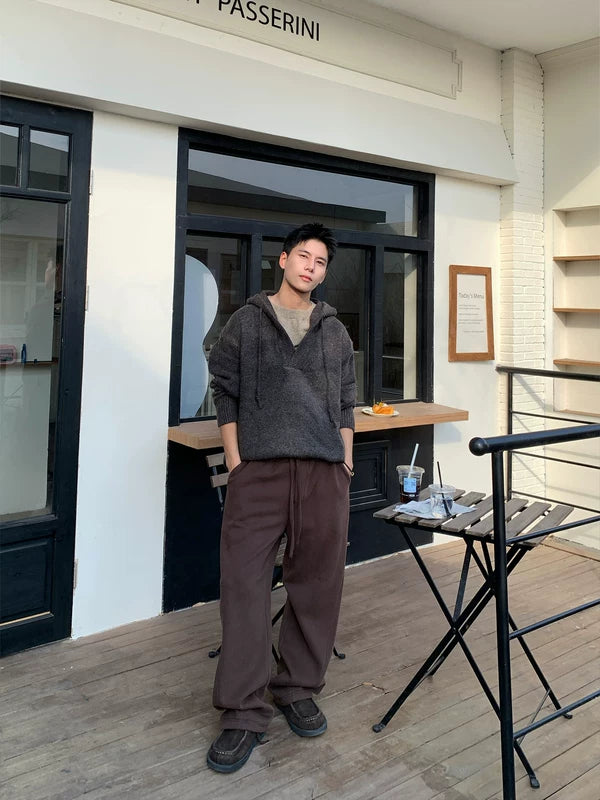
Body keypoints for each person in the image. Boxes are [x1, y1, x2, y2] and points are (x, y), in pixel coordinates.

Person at [206, 222, 356, 773]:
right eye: (304, 257)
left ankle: (297, 686)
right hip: (260, 474)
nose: (311, 267)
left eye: (321, 262)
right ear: (283, 259)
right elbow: (224, 391)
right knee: (243, 586)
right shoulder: (246, 323)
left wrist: (345, 461)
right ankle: (243, 711)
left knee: (317, 585)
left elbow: (347, 401)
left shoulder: (335, 332)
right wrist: (237, 462)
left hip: (322, 473)